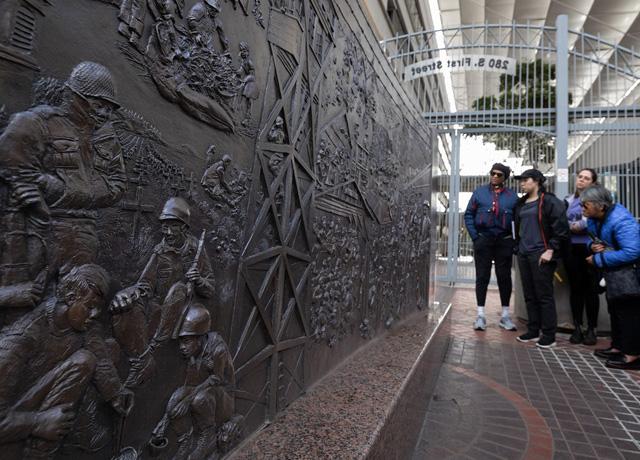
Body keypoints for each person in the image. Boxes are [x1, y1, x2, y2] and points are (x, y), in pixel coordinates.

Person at [0, 264, 132, 458]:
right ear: (71, 298)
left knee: (92, 356)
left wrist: (117, 395)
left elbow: (100, 356)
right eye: (90, 307)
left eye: (98, 309)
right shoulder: (20, 340)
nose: (94, 315)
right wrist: (38, 422)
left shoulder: (81, 323)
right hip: (15, 429)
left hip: (35, 415)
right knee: (84, 361)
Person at [110, 197, 214, 386]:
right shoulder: (160, 251)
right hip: (159, 310)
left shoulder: (196, 251)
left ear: (183, 227)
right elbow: (144, 285)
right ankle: (141, 360)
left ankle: (151, 351)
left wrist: (198, 279)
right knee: (125, 308)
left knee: (178, 290)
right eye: (163, 226)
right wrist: (128, 294)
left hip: (183, 311)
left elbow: (210, 288)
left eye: (170, 226)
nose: (165, 232)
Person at [148, 303, 237, 459]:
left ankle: (207, 436)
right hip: (204, 393)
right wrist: (165, 420)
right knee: (177, 396)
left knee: (199, 399)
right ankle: (185, 440)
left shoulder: (217, 349)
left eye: (186, 341)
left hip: (223, 401)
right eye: (181, 342)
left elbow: (217, 379)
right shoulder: (194, 353)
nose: (182, 347)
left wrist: (188, 400)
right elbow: (188, 385)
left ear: (200, 338)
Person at [582, 185, 640, 370]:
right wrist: (592, 246)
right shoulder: (595, 218)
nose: (582, 209)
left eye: (586, 205)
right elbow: (592, 239)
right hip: (613, 274)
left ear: (600, 206)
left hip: (629, 275)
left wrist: (598, 259)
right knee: (615, 311)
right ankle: (618, 347)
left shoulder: (621, 221)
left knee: (628, 313)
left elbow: (633, 251)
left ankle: (632, 354)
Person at [513, 169, 569, 349]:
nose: (521, 183)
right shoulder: (521, 203)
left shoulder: (550, 201)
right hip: (524, 253)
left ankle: (549, 335)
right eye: (520, 180)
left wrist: (551, 249)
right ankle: (533, 330)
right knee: (529, 294)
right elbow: (517, 228)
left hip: (541, 253)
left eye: (525, 180)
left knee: (544, 295)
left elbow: (561, 228)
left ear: (537, 181)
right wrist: (517, 247)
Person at [464, 163, 519, 331]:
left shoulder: (512, 197)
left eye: (499, 174)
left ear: (505, 178)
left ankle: (505, 316)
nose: (495, 176)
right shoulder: (479, 193)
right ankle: (480, 315)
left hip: (503, 241)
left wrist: (513, 241)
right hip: (484, 240)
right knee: (482, 277)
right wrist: (475, 237)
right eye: (492, 173)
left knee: (504, 277)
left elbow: (518, 221)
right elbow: (468, 215)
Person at [564, 168, 600, 345]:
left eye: (586, 178)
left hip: (591, 248)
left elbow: (584, 225)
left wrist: (572, 225)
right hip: (572, 249)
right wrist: (574, 225)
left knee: (591, 290)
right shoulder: (569, 200)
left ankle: (592, 329)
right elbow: (564, 223)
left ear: (593, 183)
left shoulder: (597, 201)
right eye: (580, 177)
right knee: (575, 289)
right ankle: (577, 327)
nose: (582, 180)